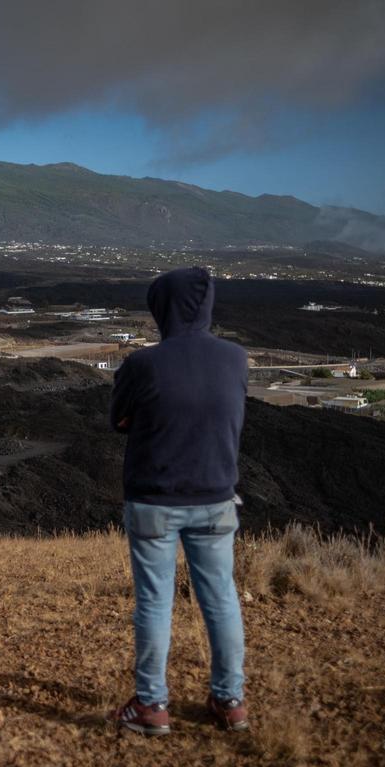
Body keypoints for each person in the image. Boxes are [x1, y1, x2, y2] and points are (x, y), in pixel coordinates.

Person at [108, 266, 250, 735]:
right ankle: (230, 700)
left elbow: (118, 420)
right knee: (222, 599)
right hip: (215, 499)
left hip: (154, 500)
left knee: (154, 601)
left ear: (161, 309)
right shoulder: (235, 359)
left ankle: (152, 705)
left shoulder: (143, 364)